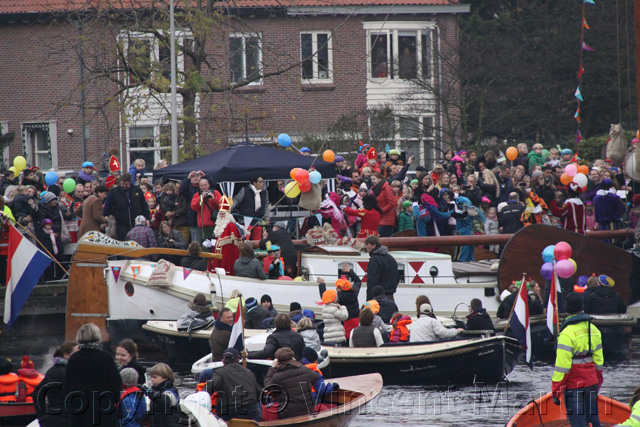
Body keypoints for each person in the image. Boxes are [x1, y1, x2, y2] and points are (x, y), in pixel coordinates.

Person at [551, 292, 604, 427]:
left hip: (575, 386)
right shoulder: (594, 330)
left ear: (567, 309)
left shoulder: (566, 334)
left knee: (578, 423)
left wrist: (556, 391)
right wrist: (597, 382)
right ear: (582, 307)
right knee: (594, 421)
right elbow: (599, 362)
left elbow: (562, 367)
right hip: (591, 383)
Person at [63, 323, 122, 427]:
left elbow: (67, 385)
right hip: (103, 407)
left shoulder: (74, 359)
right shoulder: (106, 357)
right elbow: (116, 383)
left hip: (80, 407)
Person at [34, 341, 79, 426]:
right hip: (63, 420)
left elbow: (37, 393)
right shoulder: (65, 373)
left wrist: (43, 417)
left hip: (54, 419)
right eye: (76, 353)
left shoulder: (53, 370)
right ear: (66, 354)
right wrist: (43, 417)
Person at [211, 348, 262, 422]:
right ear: (238, 359)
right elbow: (259, 392)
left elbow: (209, 389)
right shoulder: (249, 372)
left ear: (223, 361)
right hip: (250, 411)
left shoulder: (219, 373)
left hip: (230, 413)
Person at [103, 173, 150, 241]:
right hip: (121, 223)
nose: (124, 186)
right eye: (122, 184)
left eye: (126, 184)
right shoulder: (114, 192)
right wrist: (106, 216)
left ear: (130, 182)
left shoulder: (137, 190)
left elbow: (144, 205)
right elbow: (108, 205)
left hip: (136, 222)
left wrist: (147, 218)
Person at [232, 176, 269, 240]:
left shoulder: (264, 192)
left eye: (263, 181)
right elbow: (237, 199)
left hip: (258, 219)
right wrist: (229, 207)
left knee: (257, 241)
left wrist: (267, 218)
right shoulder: (245, 190)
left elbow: (266, 205)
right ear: (254, 183)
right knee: (245, 240)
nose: (262, 183)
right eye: (260, 182)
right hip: (245, 220)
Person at [364, 235, 399, 300]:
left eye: (367, 244)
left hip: (378, 297)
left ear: (374, 245)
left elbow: (372, 281)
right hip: (390, 296)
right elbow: (397, 276)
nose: (365, 246)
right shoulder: (391, 258)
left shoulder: (375, 259)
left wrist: (369, 299)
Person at [190, 177, 222, 242]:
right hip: (204, 225)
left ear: (209, 185)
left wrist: (213, 199)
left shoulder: (215, 193)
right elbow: (193, 207)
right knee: (205, 245)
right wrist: (201, 198)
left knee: (215, 244)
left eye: (205, 185)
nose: (204, 187)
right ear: (199, 187)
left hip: (216, 224)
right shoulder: (197, 195)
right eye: (201, 185)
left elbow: (221, 205)